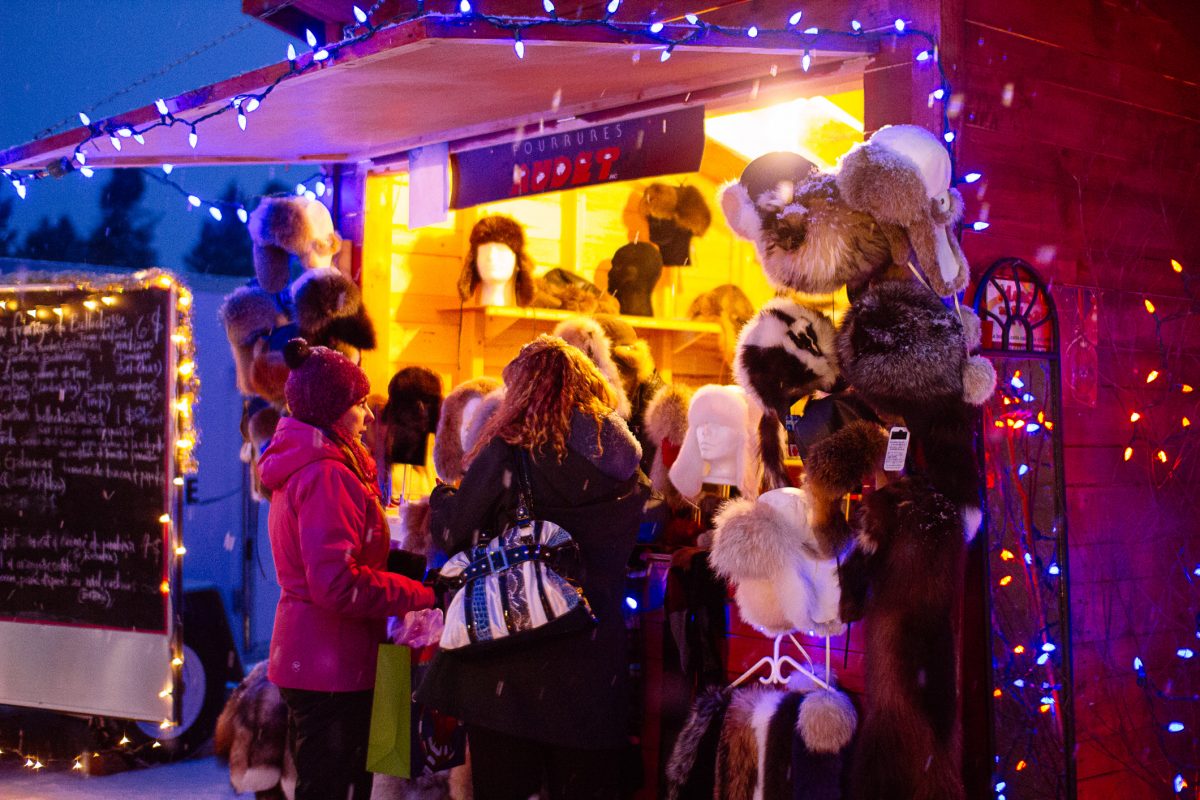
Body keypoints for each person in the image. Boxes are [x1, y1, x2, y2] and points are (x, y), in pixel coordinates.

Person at [417, 335, 652, 800]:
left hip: (511, 668)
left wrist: (443, 498)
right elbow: (643, 528)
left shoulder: (512, 451)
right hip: (591, 670)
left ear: (525, 392)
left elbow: (454, 531)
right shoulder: (626, 466)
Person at [258, 338, 436, 800]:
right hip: (330, 663)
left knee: (330, 784)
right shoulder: (326, 474)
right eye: (359, 404)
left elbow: (340, 556)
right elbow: (336, 583)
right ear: (332, 410)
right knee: (334, 788)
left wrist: (406, 566)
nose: (370, 416)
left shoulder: (313, 463)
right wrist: (419, 594)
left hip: (318, 656)